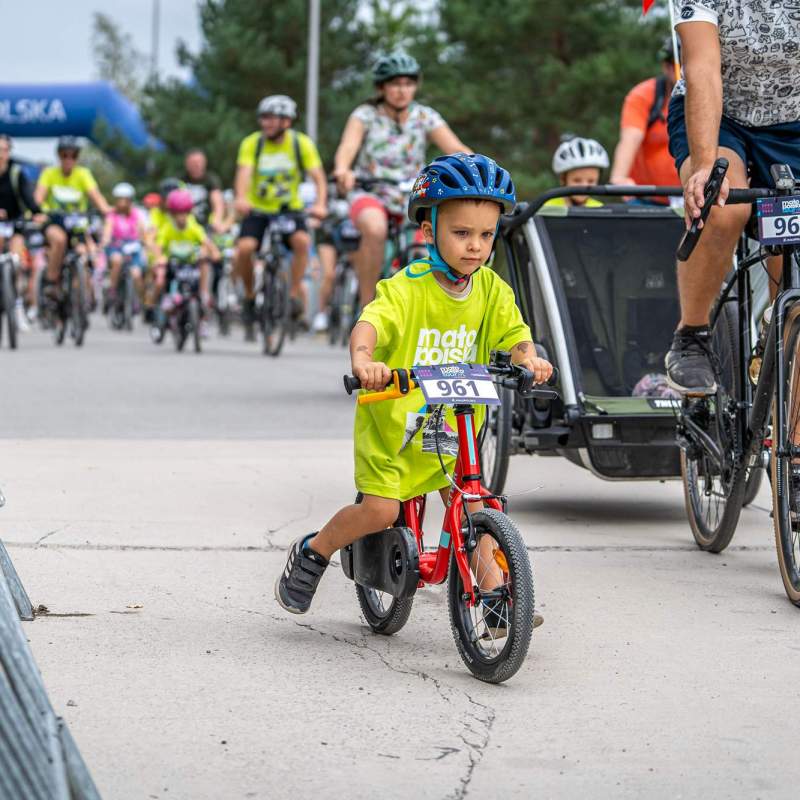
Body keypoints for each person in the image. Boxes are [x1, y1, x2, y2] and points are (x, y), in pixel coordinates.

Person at [274, 153, 553, 618]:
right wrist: (366, 362)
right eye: (461, 233)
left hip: (453, 428)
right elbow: (370, 325)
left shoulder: (490, 289)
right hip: (394, 428)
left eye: (486, 235)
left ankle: (496, 600)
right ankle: (314, 551)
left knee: (471, 505)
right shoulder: (406, 288)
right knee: (381, 511)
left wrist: (531, 360)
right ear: (429, 232)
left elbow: (516, 336)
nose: (475, 247)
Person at [663, 1, 800, 395]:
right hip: (722, 117)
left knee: (793, 273)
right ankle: (692, 334)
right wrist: (705, 165)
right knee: (723, 207)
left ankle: (787, 444)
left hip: (792, 120)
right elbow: (702, 67)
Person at [333, 52, 470, 306]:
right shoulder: (365, 115)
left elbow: (457, 149)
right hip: (370, 190)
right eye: (395, 84)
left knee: (426, 247)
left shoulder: (425, 116)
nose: (402, 90)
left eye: (408, 84)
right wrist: (343, 169)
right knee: (375, 229)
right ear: (381, 87)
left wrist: (478, 168)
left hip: (412, 196)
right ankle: (367, 306)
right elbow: (348, 146)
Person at [233, 94, 327, 341]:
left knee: (302, 243)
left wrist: (320, 203)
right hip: (258, 209)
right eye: (263, 118)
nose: (265, 124)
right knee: (244, 249)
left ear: (286, 121)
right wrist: (241, 197)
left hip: (289, 209)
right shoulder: (252, 144)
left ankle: (294, 293)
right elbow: (243, 174)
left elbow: (318, 177)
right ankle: (250, 296)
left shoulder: (301, 144)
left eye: (271, 119)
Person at [33, 136, 110, 301]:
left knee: (85, 253)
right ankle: (51, 283)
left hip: (77, 224)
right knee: (59, 240)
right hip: (54, 221)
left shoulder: (83, 174)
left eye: (73, 155)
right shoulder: (49, 173)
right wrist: (37, 212)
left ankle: (79, 298)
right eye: (64, 155)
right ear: (59, 156)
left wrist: (108, 211)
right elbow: (38, 199)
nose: (69, 159)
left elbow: (97, 197)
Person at [610, 37, 682, 199]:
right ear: (665, 66)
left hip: (700, 198)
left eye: (687, 63)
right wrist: (620, 177)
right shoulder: (644, 94)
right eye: (674, 64)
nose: (680, 70)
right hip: (649, 198)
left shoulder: (713, 94)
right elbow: (631, 137)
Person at [0, 134, 44, 325]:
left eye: (4, 150)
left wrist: (37, 212)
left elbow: (28, 197)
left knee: (16, 260)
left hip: (15, 223)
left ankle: (17, 304)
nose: (1, 154)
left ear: (9, 152)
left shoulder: (16, 173)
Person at [153, 188, 219, 313]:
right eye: (178, 213)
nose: (182, 217)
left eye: (184, 213)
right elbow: (159, 246)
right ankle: (165, 298)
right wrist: (159, 257)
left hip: (190, 263)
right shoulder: (167, 228)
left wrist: (214, 252)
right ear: (172, 213)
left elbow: (205, 240)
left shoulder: (193, 227)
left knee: (204, 265)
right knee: (161, 274)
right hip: (173, 264)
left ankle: (203, 294)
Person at [99, 182, 150, 306]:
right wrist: (105, 240)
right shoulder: (112, 215)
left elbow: (142, 230)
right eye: (120, 199)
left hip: (132, 247)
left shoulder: (136, 214)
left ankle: (140, 301)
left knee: (136, 273)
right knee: (117, 260)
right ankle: (112, 290)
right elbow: (107, 228)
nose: (122, 203)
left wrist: (146, 241)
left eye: (125, 200)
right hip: (115, 246)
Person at [545, 136, 609, 208]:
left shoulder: (600, 209)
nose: (584, 186)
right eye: (577, 180)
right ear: (563, 179)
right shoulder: (547, 208)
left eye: (591, 181)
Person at [181, 148, 226, 233]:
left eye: (199, 162)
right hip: (185, 225)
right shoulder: (180, 179)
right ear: (187, 164)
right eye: (193, 163)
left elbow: (217, 202)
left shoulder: (211, 179)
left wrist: (217, 220)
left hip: (205, 224)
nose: (197, 165)